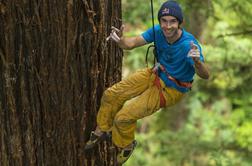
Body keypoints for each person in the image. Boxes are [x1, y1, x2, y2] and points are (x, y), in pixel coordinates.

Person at [84, 0, 210, 164]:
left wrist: (197, 62)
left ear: (180, 23)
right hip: (156, 73)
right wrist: (122, 41)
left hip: (172, 89)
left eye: (172, 21)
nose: (167, 26)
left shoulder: (188, 45)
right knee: (111, 95)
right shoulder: (158, 31)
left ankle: (127, 145)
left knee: (123, 118)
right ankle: (102, 129)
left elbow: (205, 75)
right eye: (164, 21)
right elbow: (133, 42)